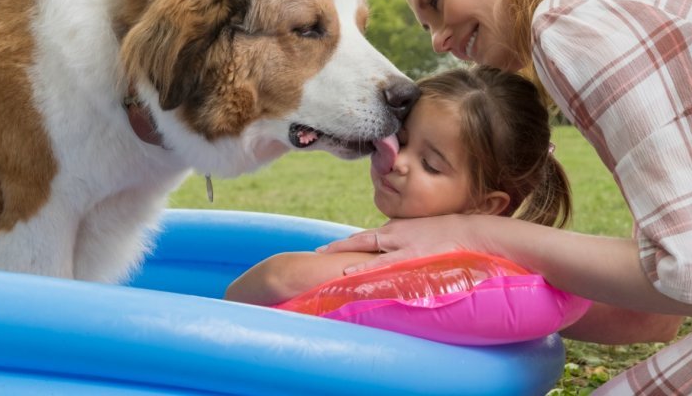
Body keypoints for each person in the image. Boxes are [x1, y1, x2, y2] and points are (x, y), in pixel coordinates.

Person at [321, 0, 692, 394]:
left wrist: (479, 234)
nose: (439, 40)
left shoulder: (573, 21)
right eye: (425, 26)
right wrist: (474, 282)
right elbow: (653, 316)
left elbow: (690, 281)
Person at [225, 65, 572, 305]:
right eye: (401, 141)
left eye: (431, 165)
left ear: (486, 205)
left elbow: (277, 278)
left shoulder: (446, 266)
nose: (400, 161)